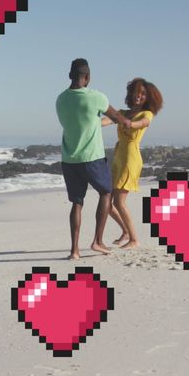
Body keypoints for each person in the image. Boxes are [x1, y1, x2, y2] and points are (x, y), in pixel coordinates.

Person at [56, 58, 132, 260]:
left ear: (69, 75)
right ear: (87, 77)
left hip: (69, 159)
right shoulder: (96, 97)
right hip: (92, 158)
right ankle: (98, 241)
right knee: (106, 193)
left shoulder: (60, 99)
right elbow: (117, 117)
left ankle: (74, 251)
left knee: (77, 202)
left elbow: (81, 121)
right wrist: (128, 121)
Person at [104, 78, 163, 249]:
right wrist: (91, 124)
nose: (139, 96)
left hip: (131, 158)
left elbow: (142, 123)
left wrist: (129, 123)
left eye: (143, 94)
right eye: (137, 92)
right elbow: (108, 120)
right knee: (106, 203)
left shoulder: (147, 114)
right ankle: (126, 232)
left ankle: (134, 239)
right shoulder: (124, 112)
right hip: (118, 157)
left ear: (148, 98)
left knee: (119, 202)